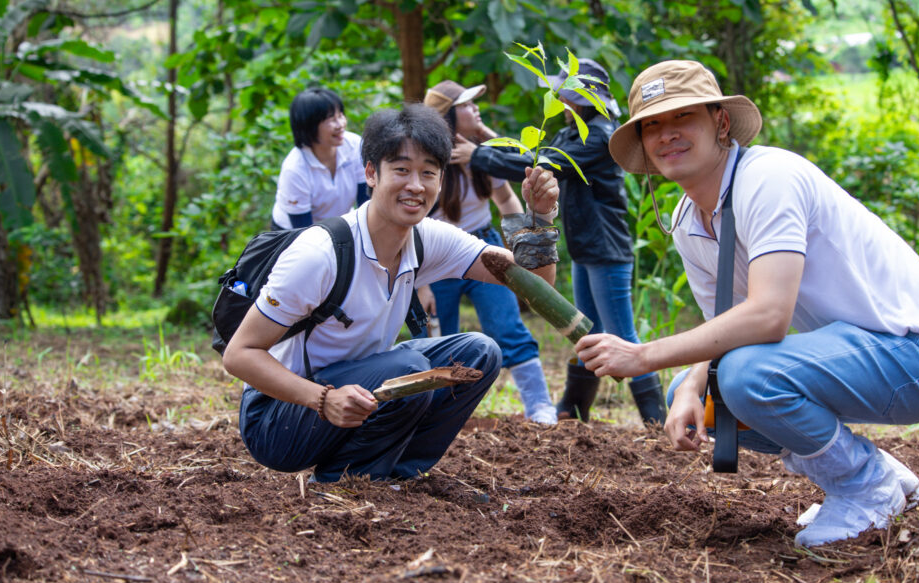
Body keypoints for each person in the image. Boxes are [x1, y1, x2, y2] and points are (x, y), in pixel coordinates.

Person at [575, 60, 919, 547]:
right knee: (696, 394)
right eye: (651, 125)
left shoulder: (767, 177)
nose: (666, 134)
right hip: (855, 354)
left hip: (917, 355)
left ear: (721, 122)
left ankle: (863, 486)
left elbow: (768, 316)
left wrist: (643, 355)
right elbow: (724, 329)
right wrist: (691, 386)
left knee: (744, 376)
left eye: (682, 117)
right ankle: (873, 471)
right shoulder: (689, 219)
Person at [223, 103, 561, 482]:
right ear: (371, 173)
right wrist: (323, 398)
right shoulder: (320, 254)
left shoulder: (428, 238)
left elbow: (536, 284)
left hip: (357, 387)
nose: (415, 185)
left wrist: (540, 218)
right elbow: (239, 355)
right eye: (401, 170)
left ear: (440, 180)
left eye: (428, 172)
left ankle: (396, 475)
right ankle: (344, 479)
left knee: (479, 354)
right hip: (278, 418)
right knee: (409, 371)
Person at [465, 59, 666, 425]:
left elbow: (545, 167)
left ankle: (656, 420)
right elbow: (531, 157)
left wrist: (477, 155)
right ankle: (573, 410)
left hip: (606, 249)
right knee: (585, 330)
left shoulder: (600, 136)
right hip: (585, 247)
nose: (561, 101)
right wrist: (484, 136)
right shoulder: (571, 132)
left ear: (581, 98)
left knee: (621, 333)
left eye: (566, 94)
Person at [419, 80, 558, 424]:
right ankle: (437, 414)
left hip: (483, 248)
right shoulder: (427, 159)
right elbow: (411, 223)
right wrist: (419, 284)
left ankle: (539, 405)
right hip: (436, 255)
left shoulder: (482, 153)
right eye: (466, 105)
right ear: (447, 116)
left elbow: (508, 198)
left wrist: (521, 248)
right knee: (438, 338)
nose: (475, 108)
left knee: (507, 325)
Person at [271, 87, 368, 230]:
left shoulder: (354, 146)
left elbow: (366, 203)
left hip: (338, 225)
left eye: (340, 115)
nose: (341, 124)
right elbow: (303, 230)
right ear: (309, 126)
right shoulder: (295, 169)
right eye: (332, 119)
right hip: (292, 231)